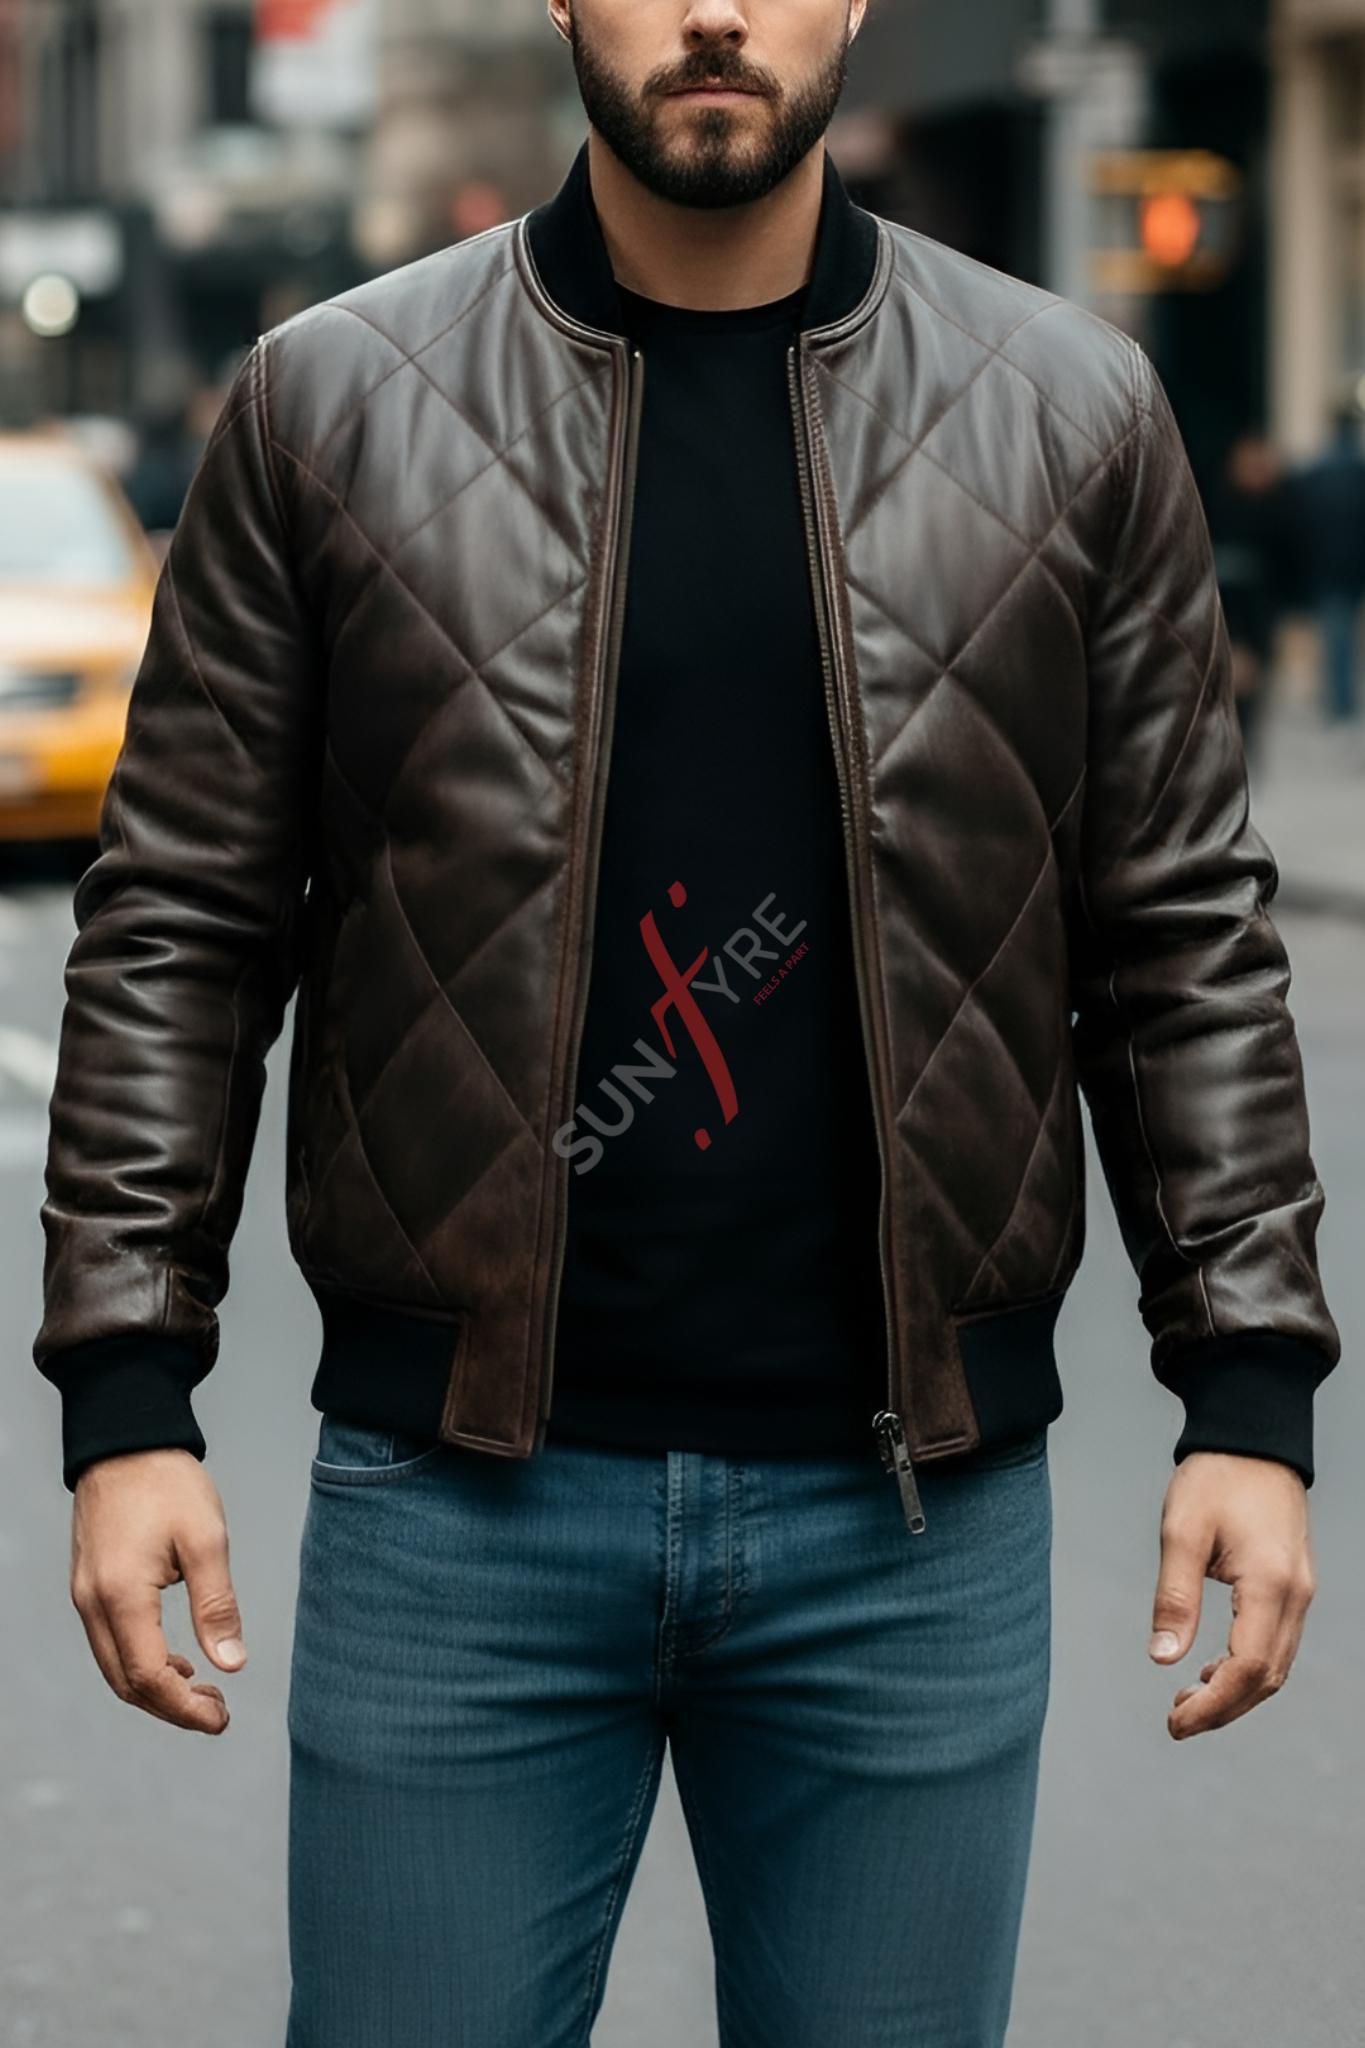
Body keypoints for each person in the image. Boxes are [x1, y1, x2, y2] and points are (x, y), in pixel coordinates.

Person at [36, 2, 1338, 2044]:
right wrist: (125, 1391)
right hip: (456, 1509)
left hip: (913, 1525)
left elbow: (1175, 926)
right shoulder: (330, 405)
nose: (714, 11)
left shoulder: (1071, 412)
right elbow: (181, 920)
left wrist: (1248, 1385)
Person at [1208, 430, 1292, 768]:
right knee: (1230, 673)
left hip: (1261, 603)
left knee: (1255, 674)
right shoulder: (1219, 501)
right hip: (1227, 596)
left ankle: (1245, 747)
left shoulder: (1280, 504)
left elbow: (1288, 558)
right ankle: (1231, 748)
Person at [1285, 405, 1365, 722]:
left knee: (1336, 634)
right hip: (1352, 565)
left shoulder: (1315, 473)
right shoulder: (1358, 471)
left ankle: (1340, 701)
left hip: (1327, 565)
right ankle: (1342, 701)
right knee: (1341, 633)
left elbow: (1299, 521)